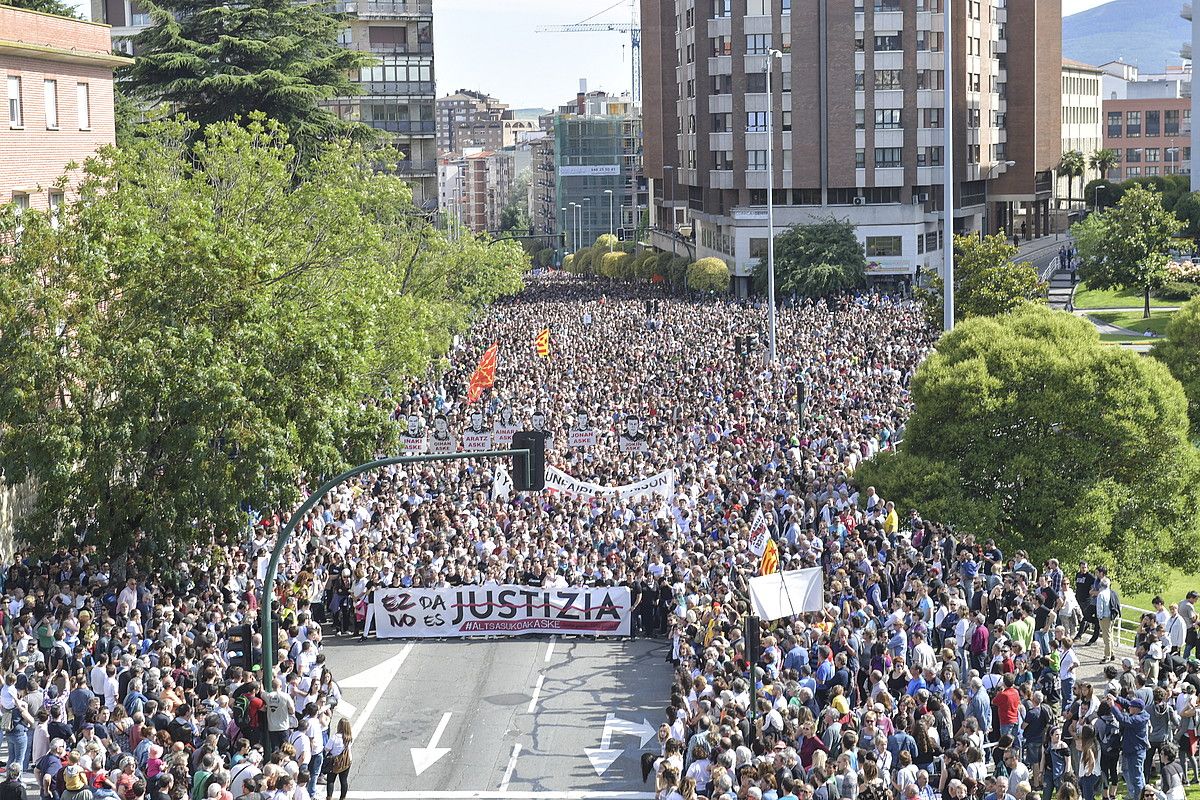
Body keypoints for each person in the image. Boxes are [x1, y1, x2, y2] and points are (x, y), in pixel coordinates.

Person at [323, 719, 352, 800]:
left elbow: (327, 748)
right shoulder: (349, 738)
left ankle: (329, 797)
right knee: (343, 780)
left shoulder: (334, 737)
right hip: (346, 762)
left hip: (334, 762)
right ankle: (342, 797)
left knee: (330, 780)